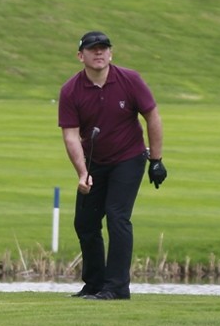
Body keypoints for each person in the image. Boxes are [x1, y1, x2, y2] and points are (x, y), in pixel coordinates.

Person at [58, 31, 167, 300]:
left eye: (104, 48)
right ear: (80, 55)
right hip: (94, 160)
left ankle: (117, 287)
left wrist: (156, 160)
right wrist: (82, 173)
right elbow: (71, 135)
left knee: (117, 216)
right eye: (93, 49)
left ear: (111, 53)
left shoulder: (130, 80)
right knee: (85, 223)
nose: (99, 53)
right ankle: (95, 284)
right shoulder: (71, 90)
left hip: (128, 158)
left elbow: (152, 116)